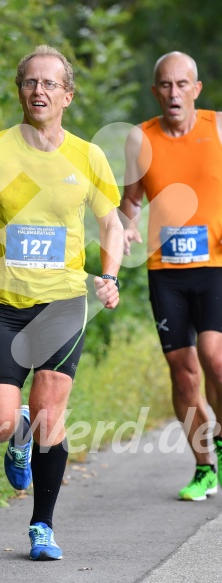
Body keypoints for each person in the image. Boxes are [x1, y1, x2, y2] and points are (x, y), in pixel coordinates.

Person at [0, 45, 123, 560]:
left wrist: (110, 274)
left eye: (50, 84)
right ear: (19, 90)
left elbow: (111, 221)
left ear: (67, 95)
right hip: (4, 305)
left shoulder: (88, 156)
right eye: (30, 82)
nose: (39, 91)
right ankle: (17, 437)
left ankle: (42, 527)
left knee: (52, 416)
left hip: (63, 304)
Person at [120, 51, 222, 501]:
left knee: (215, 357)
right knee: (183, 375)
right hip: (167, 272)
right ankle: (205, 467)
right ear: (155, 91)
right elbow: (131, 202)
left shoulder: (217, 127)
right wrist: (124, 226)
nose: (174, 92)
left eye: (182, 84)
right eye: (165, 84)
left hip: (216, 264)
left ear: (196, 89)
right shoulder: (140, 140)